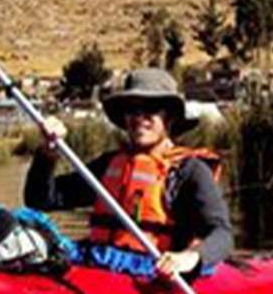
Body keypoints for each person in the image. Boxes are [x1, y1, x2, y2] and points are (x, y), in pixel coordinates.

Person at [24, 68, 233, 279]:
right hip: (98, 265)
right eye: (132, 110)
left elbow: (222, 234)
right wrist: (47, 154)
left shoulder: (189, 171)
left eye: (150, 108)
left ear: (168, 118)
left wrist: (190, 257)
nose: (139, 117)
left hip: (153, 272)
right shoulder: (109, 165)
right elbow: (41, 199)